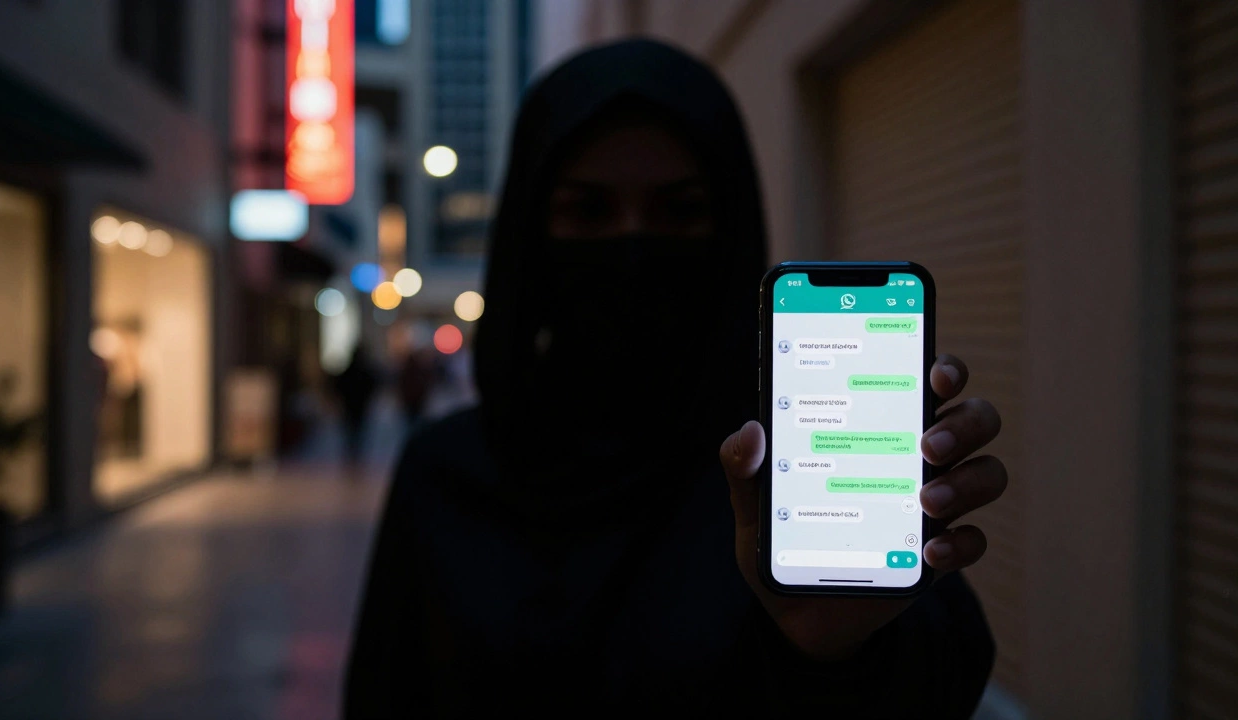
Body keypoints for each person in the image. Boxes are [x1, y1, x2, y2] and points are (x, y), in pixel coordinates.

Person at [344, 40, 1006, 718]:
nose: (634, 246)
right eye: (589, 212)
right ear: (529, 233)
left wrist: (843, 651)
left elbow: (939, 678)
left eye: (680, 211)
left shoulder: (785, 464)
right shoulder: (444, 475)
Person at [333, 344, 382, 468]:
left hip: (352, 405)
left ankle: (353, 452)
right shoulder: (362, 371)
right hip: (358, 405)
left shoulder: (350, 371)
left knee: (352, 429)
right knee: (358, 429)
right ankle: (355, 452)